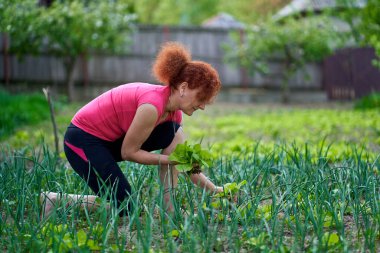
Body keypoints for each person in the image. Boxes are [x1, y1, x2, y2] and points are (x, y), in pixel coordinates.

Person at [40, 41, 224, 218]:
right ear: (183, 88)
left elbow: (183, 163)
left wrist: (215, 190)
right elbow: (128, 152)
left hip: (108, 141)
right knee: (126, 207)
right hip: (82, 141)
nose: (202, 106)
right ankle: (56, 200)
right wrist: (171, 160)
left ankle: (170, 209)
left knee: (174, 134)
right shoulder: (152, 106)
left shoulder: (174, 115)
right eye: (201, 98)